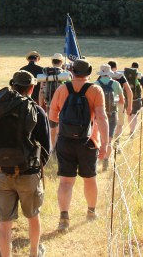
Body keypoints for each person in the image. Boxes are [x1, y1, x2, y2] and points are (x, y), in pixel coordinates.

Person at [0, 71, 50, 257]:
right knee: (33, 216)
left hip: (1, 172)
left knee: (4, 222)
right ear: (32, 88)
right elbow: (46, 148)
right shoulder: (37, 111)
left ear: (12, 86)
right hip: (28, 173)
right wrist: (36, 169)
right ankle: (34, 252)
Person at [48, 59, 109, 232]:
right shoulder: (95, 90)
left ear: (72, 71)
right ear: (89, 72)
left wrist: (59, 134)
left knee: (66, 182)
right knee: (90, 178)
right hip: (88, 141)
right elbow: (102, 118)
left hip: (65, 141)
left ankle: (64, 218)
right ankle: (91, 212)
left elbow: (52, 118)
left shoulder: (61, 89)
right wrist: (105, 143)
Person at [94, 64, 125, 172]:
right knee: (109, 140)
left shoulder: (96, 84)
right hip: (112, 115)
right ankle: (106, 159)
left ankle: (98, 159)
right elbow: (122, 100)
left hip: (99, 115)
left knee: (100, 139)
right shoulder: (116, 84)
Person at [38, 52, 70, 149]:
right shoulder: (64, 74)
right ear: (61, 62)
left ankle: (52, 148)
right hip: (62, 105)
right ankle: (60, 148)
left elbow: (41, 90)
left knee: (51, 127)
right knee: (61, 127)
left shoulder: (45, 74)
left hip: (49, 104)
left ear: (52, 62)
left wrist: (40, 105)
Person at [108, 61, 132, 139]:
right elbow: (129, 91)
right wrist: (130, 106)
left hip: (105, 103)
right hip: (119, 102)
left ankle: (109, 140)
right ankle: (116, 142)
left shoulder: (103, 76)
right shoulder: (120, 76)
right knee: (119, 123)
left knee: (108, 123)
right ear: (116, 68)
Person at [128, 62, 143, 133]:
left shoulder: (126, 75)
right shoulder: (139, 76)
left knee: (129, 114)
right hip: (137, 98)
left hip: (128, 98)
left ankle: (130, 128)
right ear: (138, 68)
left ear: (131, 67)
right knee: (135, 114)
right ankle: (132, 131)